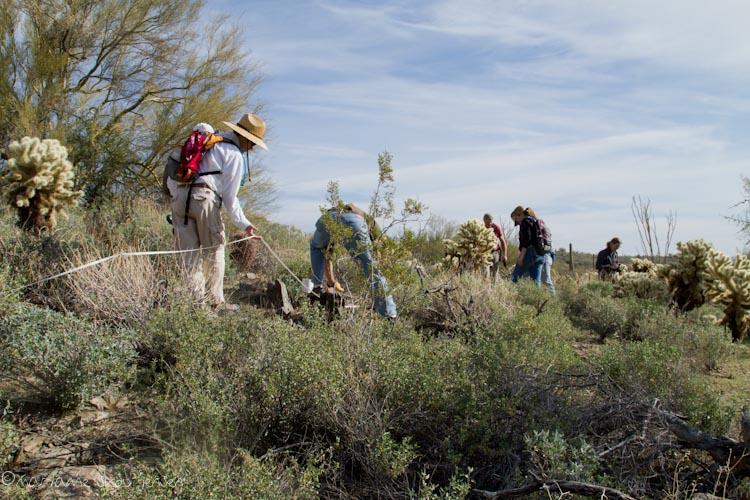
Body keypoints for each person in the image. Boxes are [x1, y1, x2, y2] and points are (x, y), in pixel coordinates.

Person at [169, 113, 267, 309]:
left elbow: (172, 178)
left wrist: (177, 200)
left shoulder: (209, 143)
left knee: (189, 255)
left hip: (180, 198)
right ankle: (215, 302)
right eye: (253, 143)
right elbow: (230, 199)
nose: (253, 148)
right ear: (246, 138)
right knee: (215, 249)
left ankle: (197, 305)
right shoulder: (233, 154)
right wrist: (244, 224)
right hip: (205, 199)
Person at [310, 202, 397, 318]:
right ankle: (388, 314)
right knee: (371, 268)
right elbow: (377, 256)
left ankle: (316, 288)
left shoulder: (361, 217)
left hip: (328, 218)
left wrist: (332, 282)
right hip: (354, 221)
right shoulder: (373, 225)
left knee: (317, 247)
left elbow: (326, 256)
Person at [510, 205, 545, 286]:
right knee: (536, 282)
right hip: (539, 254)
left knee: (515, 277)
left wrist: (522, 256)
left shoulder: (525, 222)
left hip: (530, 253)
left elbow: (526, 240)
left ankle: (511, 297)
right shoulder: (533, 220)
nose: (517, 222)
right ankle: (537, 298)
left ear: (519, 215)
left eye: (516, 219)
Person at [524, 207, 555, 294]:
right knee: (540, 279)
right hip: (547, 253)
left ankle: (553, 299)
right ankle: (538, 298)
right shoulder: (540, 223)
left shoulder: (533, 224)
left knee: (545, 280)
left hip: (542, 254)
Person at [483, 213, 508, 282]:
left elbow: (503, 241)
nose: (490, 223)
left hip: (495, 253)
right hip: (485, 253)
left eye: (491, 221)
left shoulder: (496, 227)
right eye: (488, 222)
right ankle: (486, 289)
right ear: (484, 221)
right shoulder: (481, 228)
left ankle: (493, 290)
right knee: (485, 273)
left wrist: (505, 255)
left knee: (495, 274)